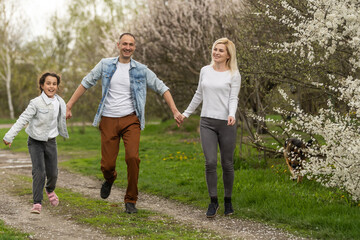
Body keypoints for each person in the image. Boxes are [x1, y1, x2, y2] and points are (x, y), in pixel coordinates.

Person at [66, 33, 183, 214]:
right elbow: (86, 82)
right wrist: (69, 105)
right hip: (108, 119)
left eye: (131, 44)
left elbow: (162, 88)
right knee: (107, 165)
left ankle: (130, 200)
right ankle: (110, 178)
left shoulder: (141, 69)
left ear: (135, 47)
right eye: (125, 44)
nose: (128, 47)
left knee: (132, 158)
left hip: (131, 119)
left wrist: (175, 110)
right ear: (118, 45)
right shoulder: (105, 64)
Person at [180, 38, 241, 218]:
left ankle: (228, 201)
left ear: (228, 55)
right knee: (210, 162)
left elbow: (233, 98)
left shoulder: (234, 74)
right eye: (215, 49)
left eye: (221, 50)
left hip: (226, 123)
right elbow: (199, 94)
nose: (216, 53)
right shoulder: (205, 71)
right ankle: (213, 201)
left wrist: (232, 113)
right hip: (207, 122)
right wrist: (186, 113)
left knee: (227, 164)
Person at [3, 72, 69, 214]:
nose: (51, 86)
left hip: (51, 141)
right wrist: (9, 136)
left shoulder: (60, 102)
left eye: (54, 84)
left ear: (57, 86)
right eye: (48, 83)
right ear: (42, 85)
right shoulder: (36, 103)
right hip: (35, 142)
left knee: (53, 173)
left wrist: (66, 114)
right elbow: (22, 119)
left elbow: (61, 114)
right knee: (39, 172)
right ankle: (37, 203)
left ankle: (50, 190)